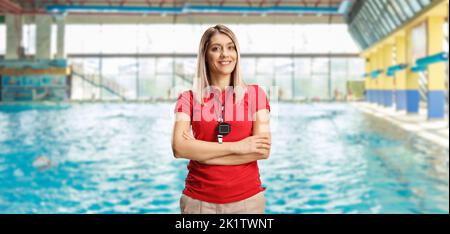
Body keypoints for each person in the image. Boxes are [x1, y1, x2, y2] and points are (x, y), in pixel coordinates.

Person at [171, 25, 272, 214]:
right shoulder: (188, 98)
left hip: (247, 201)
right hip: (198, 202)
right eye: (216, 48)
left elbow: (262, 151)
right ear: (205, 55)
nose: (225, 54)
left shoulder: (256, 95)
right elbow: (178, 148)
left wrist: (201, 153)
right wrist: (238, 147)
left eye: (230, 47)